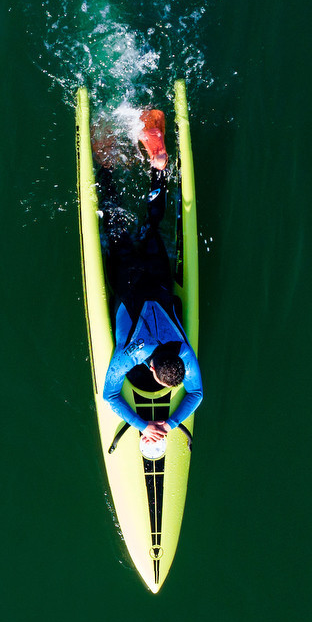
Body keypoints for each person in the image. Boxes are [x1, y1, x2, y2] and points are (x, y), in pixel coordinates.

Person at [94, 108, 203, 442]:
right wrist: (152, 426)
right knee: (113, 220)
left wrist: (162, 424)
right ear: (152, 368)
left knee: (152, 224)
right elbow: (109, 396)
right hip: (126, 271)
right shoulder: (130, 355)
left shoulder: (184, 350)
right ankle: (106, 165)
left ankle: (158, 169)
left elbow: (197, 393)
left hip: (156, 270)